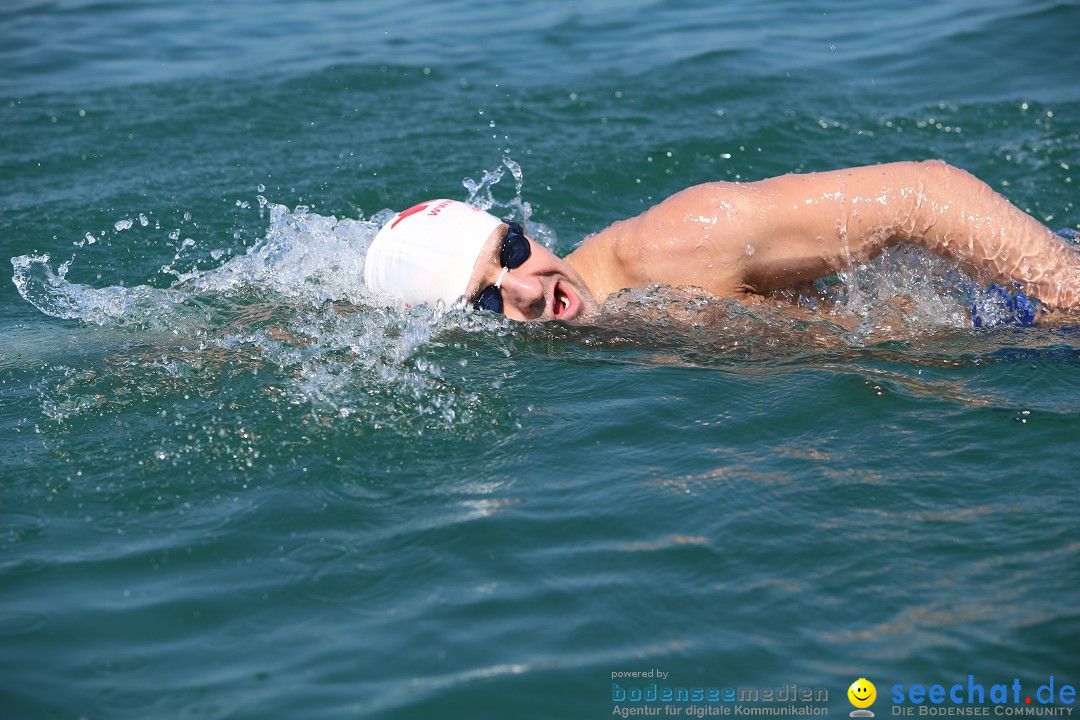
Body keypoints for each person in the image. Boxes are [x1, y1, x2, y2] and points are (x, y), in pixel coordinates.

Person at [363, 160, 1080, 323]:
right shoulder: (613, 328)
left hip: (1029, 304)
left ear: (523, 232)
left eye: (510, 254)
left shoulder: (670, 249)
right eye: (486, 303)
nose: (526, 290)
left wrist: (1061, 289)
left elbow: (927, 194)